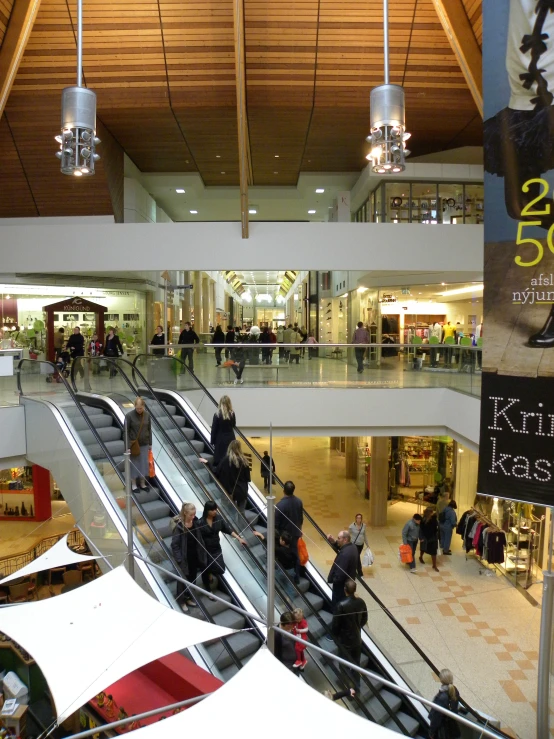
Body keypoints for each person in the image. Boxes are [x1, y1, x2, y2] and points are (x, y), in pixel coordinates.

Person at [199, 501, 247, 598]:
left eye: (215, 509)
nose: (215, 511)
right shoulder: (200, 522)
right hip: (205, 549)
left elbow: (227, 529)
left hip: (216, 548)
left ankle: (210, 574)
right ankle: (208, 589)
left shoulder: (218, 518)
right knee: (206, 567)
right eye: (212, 510)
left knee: (220, 569)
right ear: (207, 511)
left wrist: (239, 538)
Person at [331, 579, 368, 690]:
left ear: (345, 590)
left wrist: (335, 636)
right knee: (356, 664)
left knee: (344, 664)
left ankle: (348, 687)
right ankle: (357, 685)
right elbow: (365, 619)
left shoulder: (341, 605)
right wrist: (357, 628)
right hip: (357, 639)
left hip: (344, 640)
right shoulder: (361, 602)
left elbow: (336, 625)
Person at [171, 502, 207, 611]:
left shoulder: (195, 522)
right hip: (184, 557)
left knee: (192, 578)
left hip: (194, 555)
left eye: (194, 514)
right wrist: (179, 559)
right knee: (182, 580)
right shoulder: (179, 526)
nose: (193, 516)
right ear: (185, 513)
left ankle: (189, 597)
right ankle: (181, 600)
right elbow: (175, 545)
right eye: (191, 515)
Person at [211, 439, 251, 514]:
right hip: (242, 491)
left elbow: (216, 472)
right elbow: (248, 478)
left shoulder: (226, 460)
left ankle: (229, 526)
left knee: (227, 513)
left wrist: (207, 463)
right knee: (241, 513)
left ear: (229, 447)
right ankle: (241, 526)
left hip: (229, 491)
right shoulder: (245, 461)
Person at [326, 530, 358, 615]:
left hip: (341, 587)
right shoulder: (352, 547)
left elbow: (340, 574)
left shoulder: (344, 555)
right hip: (348, 582)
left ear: (345, 539)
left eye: (339, 538)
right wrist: (334, 542)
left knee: (338, 607)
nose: (337, 539)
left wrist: (333, 579)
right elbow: (342, 547)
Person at [124, 397, 152, 491]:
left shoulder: (147, 415)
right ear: (135, 406)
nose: (139, 410)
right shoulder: (129, 416)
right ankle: (134, 484)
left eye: (141, 408)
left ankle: (143, 483)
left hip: (145, 443)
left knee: (144, 464)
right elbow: (126, 432)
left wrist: (150, 443)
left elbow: (149, 429)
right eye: (137, 408)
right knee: (134, 464)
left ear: (143, 406)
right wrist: (127, 446)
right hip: (134, 445)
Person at [428, 669, 460, 739]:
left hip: (443, 729)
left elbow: (437, 717)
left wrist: (431, 732)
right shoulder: (454, 690)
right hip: (452, 727)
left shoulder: (442, 698)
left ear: (441, 680)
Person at [275, 480, 303, 556]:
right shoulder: (299, 502)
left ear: (283, 490)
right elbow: (301, 519)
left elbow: (276, 524)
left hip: (285, 537)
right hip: (296, 534)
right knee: (295, 554)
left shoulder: (280, 505)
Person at [210, 395, 236, 465]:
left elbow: (214, 429)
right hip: (230, 439)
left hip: (220, 440)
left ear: (220, 403)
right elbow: (233, 425)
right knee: (230, 459)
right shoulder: (232, 414)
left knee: (220, 459)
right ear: (229, 403)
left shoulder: (217, 414)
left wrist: (212, 441)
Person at [419, 507, 440, 572]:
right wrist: (421, 537)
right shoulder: (423, 520)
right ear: (429, 513)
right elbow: (421, 529)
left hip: (432, 537)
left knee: (433, 551)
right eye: (432, 512)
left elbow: (436, 528)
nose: (433, 513)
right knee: (423, 548)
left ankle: (434, 565)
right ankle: (421, 557)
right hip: (427, 537)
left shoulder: (433, 519)